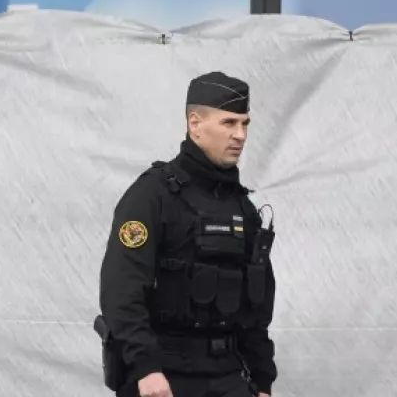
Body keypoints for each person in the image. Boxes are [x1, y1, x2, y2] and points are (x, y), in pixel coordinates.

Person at [98, 72, 277, 397]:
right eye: (229, 123)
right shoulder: (152, 196)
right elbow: (121, 290)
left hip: (228, 373)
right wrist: (146, 369)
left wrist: (262, 381)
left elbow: (256, 307)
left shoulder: (244, 210)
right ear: (195, 124)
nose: (241, 135)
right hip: (164, 377)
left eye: (245, 124)